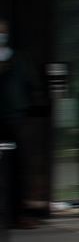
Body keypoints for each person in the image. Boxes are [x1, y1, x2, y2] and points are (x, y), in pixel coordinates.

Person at [0, 19, 31, 230]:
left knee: (16, 167)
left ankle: (17, 213)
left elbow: (27, 85)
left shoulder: (17, 59)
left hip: (14, 120)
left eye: (3, 32)